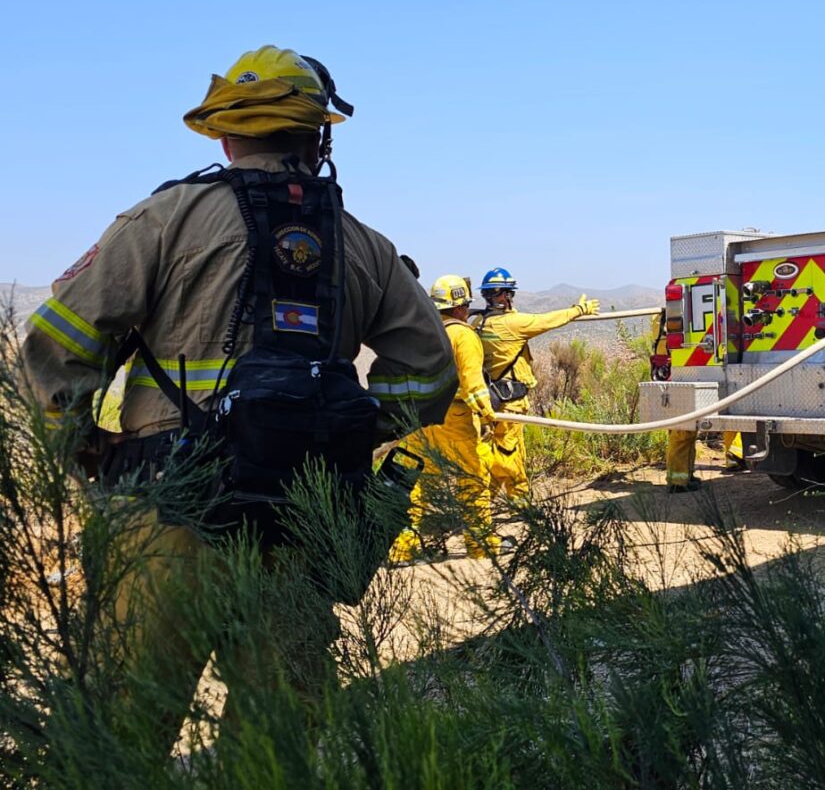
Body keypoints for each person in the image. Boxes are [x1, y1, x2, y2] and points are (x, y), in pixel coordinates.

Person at [19, 45, 456, 751]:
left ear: (225, 135)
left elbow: (56, 344)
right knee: (278, 746)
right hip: (301, 515)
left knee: (121, 735)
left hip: (166, 512)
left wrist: (83, 446)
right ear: (317, 138)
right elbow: (430, 371)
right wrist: (348, 430)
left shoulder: (163, 219)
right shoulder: (365, 246)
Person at [389, 275, 506, 562]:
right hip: (453, 418)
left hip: (417, 416)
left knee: (415, 483)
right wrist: (488, 416)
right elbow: (474, 385)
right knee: (472, 479)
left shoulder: (417, 332)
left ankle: (400, 548)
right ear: (460, 307)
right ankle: (480, 545)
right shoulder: (463, 335)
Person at [473, 268, 599, 498]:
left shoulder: (479, 322)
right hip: (511, 402)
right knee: (509, 451)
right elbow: (548, 320)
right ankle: (517, 497)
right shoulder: (513, 323)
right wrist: (580, 310)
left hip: (490, 398)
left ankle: (487, 497)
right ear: (505, 295)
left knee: (498, 447)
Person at [649, 311, 743, 493]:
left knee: (685, 431)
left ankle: (684, 476)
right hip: (681, 375)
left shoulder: (661, 318)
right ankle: (678, 481)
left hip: (678, 375)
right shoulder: (670, 318)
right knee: (683, 431)